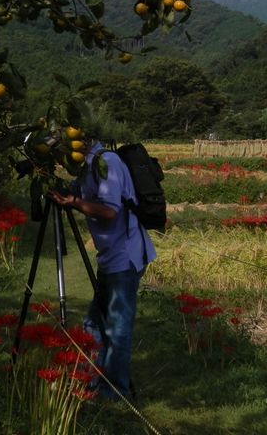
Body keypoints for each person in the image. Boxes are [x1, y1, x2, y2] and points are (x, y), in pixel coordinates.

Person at [47, 139, 156, 401]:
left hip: (125, 257)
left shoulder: (107, 162)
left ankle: (112, 391)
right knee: (94, 322)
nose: (61, 155)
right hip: (110, 256)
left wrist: (73, 201)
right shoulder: (86, 166)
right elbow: (77, 194)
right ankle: (92, 381)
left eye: (60, 147)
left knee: (117, 326)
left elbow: (109, 211)